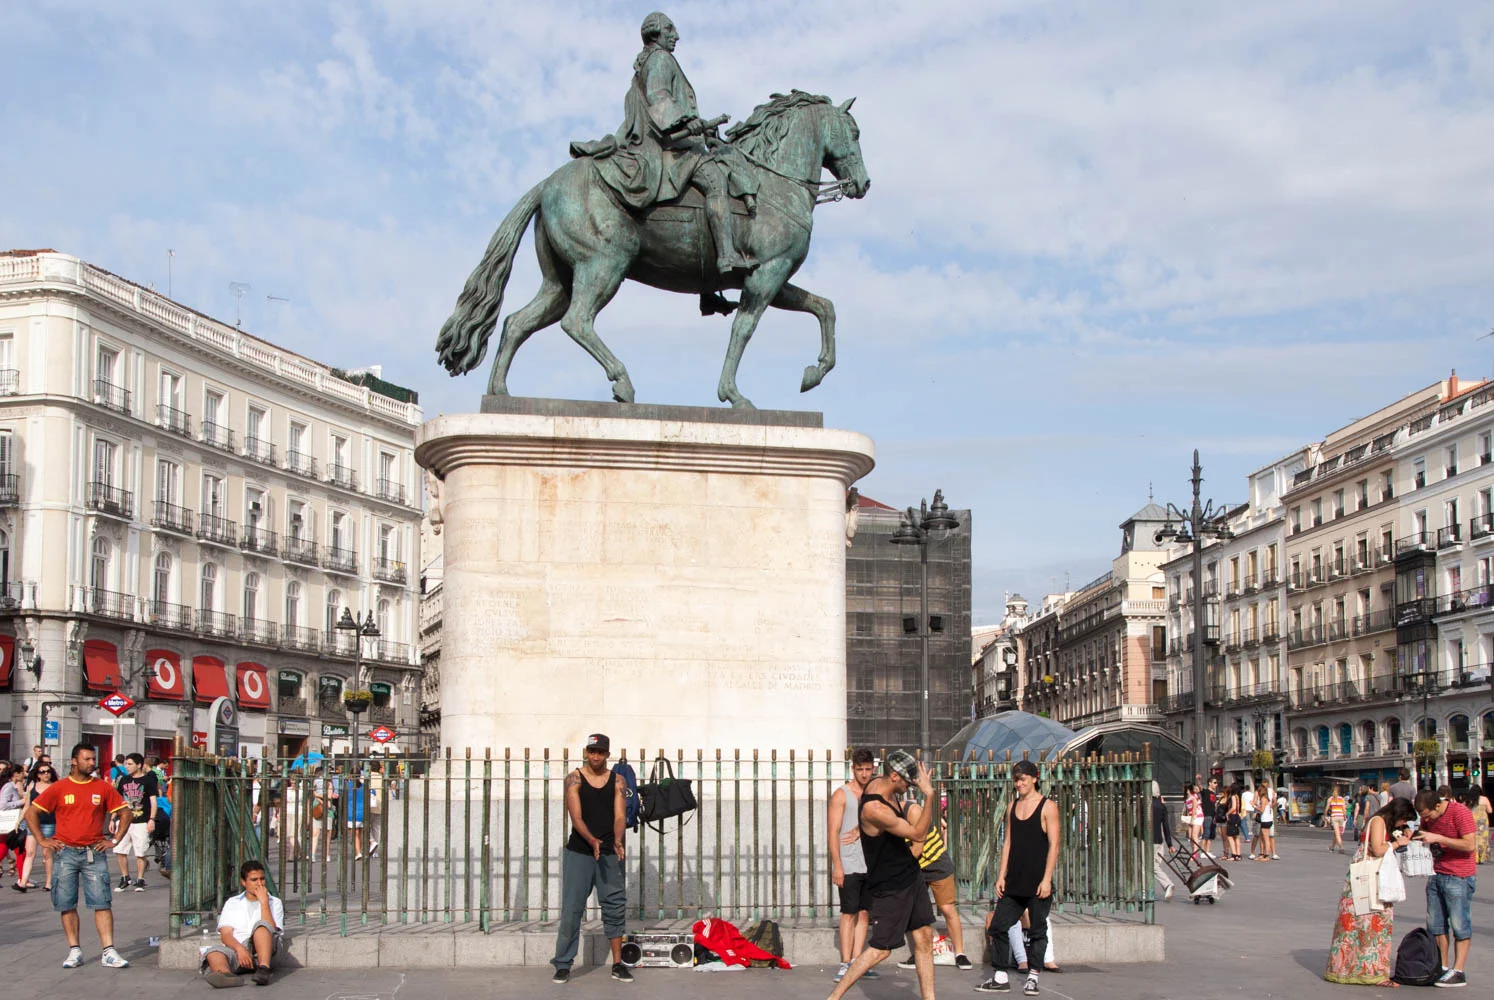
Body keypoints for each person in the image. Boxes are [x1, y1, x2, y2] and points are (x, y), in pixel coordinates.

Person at [827, 749, 938, 1000]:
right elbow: (918, 833)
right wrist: (929, 796)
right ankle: (834, 997)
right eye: (907, 783)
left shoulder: (880, 783)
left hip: (910, 874)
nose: (909, 788)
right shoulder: (875, 808)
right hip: (891, 885)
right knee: (881, 949)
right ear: (895, 777)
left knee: (924, 937)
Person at [22, 743, 134, 969]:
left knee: (102, 902)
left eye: (93, 759)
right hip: (65, 853)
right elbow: (31, 813)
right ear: (74, 761)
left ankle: (108, 951)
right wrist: (42, 840)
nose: (92, 763)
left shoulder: (102, 787)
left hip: (94, 852)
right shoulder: (60, 787)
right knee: (66, 903)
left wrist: (113, 841)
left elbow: (126, 813)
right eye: (87, 759)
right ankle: (74, 950)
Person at [550, 733, 628, 985]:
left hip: (609, 853)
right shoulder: (574, 778)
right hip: (580, 852)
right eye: (592, 751)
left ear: (607, 754)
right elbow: (576, 818)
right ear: (586, 752)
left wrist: (617, 839)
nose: (596, 756)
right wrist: (592, 840)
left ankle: (618, 964)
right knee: (572, 909)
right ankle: (563, 964)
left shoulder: (618, 780)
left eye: (600, 752)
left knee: (614, 907)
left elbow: (620, 816)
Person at [978, 760, 1061, 995]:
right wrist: (1001, 875)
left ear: (1034, 778)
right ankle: (1000, 975)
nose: (1019, 783)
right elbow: (1008, 843)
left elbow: (1054, 845)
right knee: (998, 926)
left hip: (1037, 881)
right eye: (1016, 779)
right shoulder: (1012, 806)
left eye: (1023, 779)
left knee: (1037, 930)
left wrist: (1047, 879)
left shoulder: (1047, 807)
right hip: (1014, 881)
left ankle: (1033, 976)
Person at [1324, 796, 1416, 985]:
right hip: (1370, 877)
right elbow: (1377, 849)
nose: (1403, 823)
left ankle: (1353, 969)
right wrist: (1399, 843)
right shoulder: (1379, 821)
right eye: (1403, 819)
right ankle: (1370, 971)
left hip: (1370, 876)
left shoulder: (1382, 821)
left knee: (1360, 924)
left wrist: (1403, 831)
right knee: (1372, 923)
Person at [897, 786, 971, 971]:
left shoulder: (912, 811)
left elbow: (917, 848)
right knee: (916, 911)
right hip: (915, 867)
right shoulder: (885, 818)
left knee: (947, 908)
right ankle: (919, 952)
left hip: (937, 862)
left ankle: (960, 954)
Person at [1414, 788, 1477, 987]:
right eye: (1423, 817)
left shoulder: (1460, 812)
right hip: (1436, 872)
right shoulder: (1428, 816)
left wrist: (1439, 838)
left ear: (1438, 805)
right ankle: (1441, 967)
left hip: (1459, 875)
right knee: (1436, 925)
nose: (1427, 820)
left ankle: (1458, 971)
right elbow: (1424, 833)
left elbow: (1469, 845)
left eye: (1428, 815)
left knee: (1460, 924)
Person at [828, 748, 877, 983]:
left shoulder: (875, 793)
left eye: (868, 769)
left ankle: (858, 962)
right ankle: (845, 962)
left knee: (864, 913)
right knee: (848, 913)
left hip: (870, 863)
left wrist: (862, 829)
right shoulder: (841, 795)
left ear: (873, 769)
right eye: (860, 769)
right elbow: (833, 832)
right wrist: (837, 864)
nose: (864, 774)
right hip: (848, 862)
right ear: (852, 769)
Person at [199, 859, 283, 988]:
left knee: (261, 926)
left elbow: (272, 929)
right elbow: (226, 934)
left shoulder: (274, 902)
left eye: (262, 879)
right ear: (244, 882)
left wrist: (264, 903)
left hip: (265, 951)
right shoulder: (232, 902)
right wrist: (240, 949)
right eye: (254, 880)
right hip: (239, 951)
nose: (259, 883)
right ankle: (225, 976)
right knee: (213, 953)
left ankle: (264, 970)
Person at [113, 753, 158, 891]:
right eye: (126, 764)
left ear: (139, 765)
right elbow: (118, 801)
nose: (127, 766)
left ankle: (140, 879)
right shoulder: (124, 780)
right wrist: (113, 818)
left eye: (130, 764)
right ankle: (125, 877)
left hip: (141, 820)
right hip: (124, 821)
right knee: (119, 849)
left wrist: (151, 819)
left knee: (140, 851)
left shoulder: (148, 780)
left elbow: (153, 801)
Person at [20, 763, 58, 890]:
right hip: (33, 823)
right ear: (38, 774)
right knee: (30, 853)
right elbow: (27, 806)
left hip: (49, 823)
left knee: (47, 854)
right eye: (42, 772)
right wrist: (18, 821)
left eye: (48, 771)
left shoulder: (55, 787)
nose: (46, 774)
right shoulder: (32, 786)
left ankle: (48, 883)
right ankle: (23, 882)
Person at [1, 765, 27, 888]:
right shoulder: (9, 787)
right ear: (16, 774)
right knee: (19, 850)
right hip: (10, 823)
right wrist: (21, 802)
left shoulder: (12, 786)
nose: (24, 774)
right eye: (22, 772)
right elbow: (3, 805)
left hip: (11, 824)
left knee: (10, 849)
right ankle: (23, 879)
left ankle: (23, 878)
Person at [1151, 780, 1177, 903]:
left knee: (1148, 866)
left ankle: (1166, 884)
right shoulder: (1162, 806)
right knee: (1153, 865)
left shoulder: (1145, 804)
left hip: (1147, 840)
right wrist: (1170, 844)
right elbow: (1166, 826)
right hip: (1159, 841)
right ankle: (1150, 890)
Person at [1458, 785, 1489, 865]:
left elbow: (1461, 807)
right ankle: (1481, 858)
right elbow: (1490, 810)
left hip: (1471, 820)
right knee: (1482, 839)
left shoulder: (1469, 799)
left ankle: (1474, 857)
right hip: (1483, 822)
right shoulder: (1484, 799)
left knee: (1473, 838)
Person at [1256, 781, 1278, 861]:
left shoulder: (1263, 798)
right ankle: (1264, 855)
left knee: (1266, 838)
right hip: (1268, 819)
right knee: (1265, 838)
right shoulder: (1267, 798)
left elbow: (1262, 810)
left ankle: (1267, 856)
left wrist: (1254, 806)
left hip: (1265, 819)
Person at [1200, 777, 1219, 856]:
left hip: (1213, 815)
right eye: (1214, 782)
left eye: (1216, 783)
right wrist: (1199, 780)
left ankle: (1207, 851)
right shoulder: (1206, 792)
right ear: (1209, 783)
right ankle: (1203, 852)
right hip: (1207, 815)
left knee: (1211, 834)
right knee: (1206, 833)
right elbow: (1200, 788)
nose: (1216, 784)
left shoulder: (1214, 793)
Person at [1326, 786, 1348, 853]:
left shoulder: (1330, 799)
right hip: (1341, 817)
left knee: (1337, 834)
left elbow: (1327, 809)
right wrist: (1345, 816)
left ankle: (1341, 848)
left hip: (1334, 817)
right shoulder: (1342, 799)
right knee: (1337, 833)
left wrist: (1325, 816)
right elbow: (1344, 809)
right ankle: (1332, 847)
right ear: (1339, 791)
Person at [1239, 783, 1256, 857]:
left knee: (1247, 820)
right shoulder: (1252, 794)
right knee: (1252, 820)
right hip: (1252, 808)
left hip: (1246, 808)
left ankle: (1249, 831)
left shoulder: (1243, 794)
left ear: (1245, 789)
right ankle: (1251, 829)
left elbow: (1242, 801)